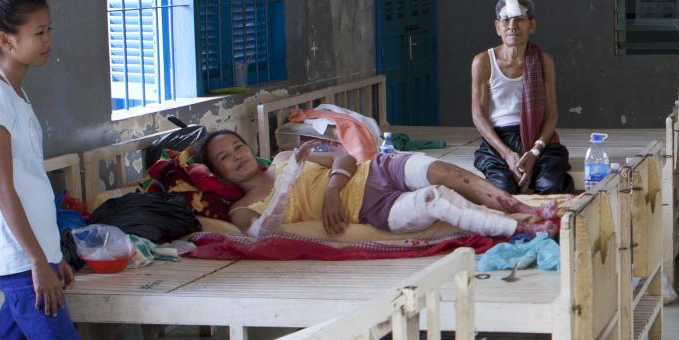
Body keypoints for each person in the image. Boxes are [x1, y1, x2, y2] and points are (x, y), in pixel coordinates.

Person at [0, 0, 87, 340]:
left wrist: (51, 255)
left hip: (28, 254)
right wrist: (35, 260)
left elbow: (26, 182)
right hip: (17, 258)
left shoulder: (14, 92)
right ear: (6, 40)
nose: (48, 40)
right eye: (39, 32)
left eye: (49, 31)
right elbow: (2, 188)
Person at [201, 131, 556, 238]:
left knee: (452, 175)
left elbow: (346, 157)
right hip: (373, 209)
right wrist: (287, 186)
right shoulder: (241, 210)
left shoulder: (282, 159)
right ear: (218, 173)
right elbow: (264, 232)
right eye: (225, 157)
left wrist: (331, 191)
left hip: (378, 170)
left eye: (238, 146)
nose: (237, 157)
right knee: (436, 200)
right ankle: (521, 231)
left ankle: (527, 209)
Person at [471, 0, 572, 194]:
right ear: (497, 27)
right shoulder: (483, 61)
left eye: (520, 20)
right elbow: (478, 116)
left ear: (532, 25)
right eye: (506, 20)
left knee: (550, 185)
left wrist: (534, 151)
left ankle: (550, 225)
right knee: (503, 191)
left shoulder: (543, 61)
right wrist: (508, 154)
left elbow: (551, 114)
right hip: (499, 139)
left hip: (537, 137)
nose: (512, 26)